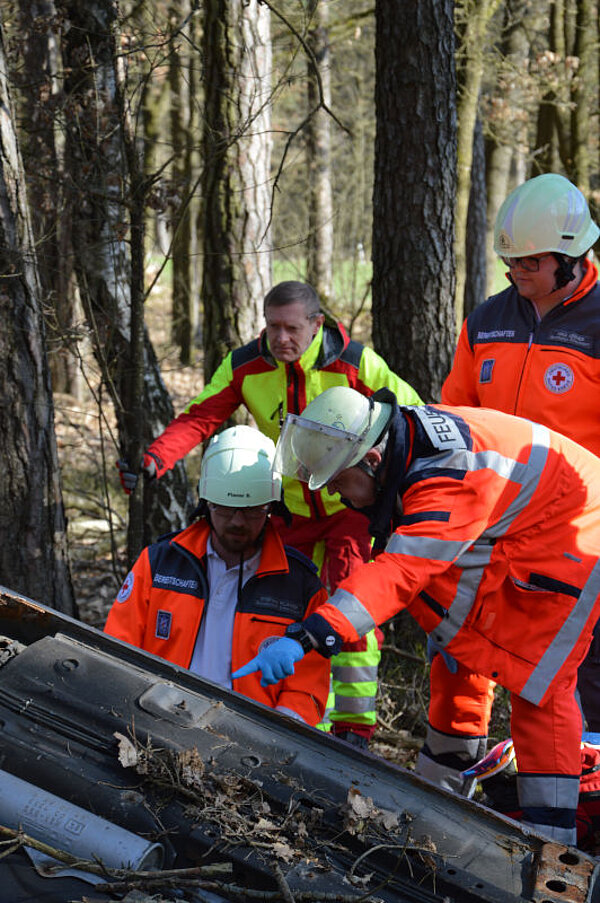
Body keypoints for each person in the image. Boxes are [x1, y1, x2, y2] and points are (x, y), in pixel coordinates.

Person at [232, 385, 600, 845]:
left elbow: (403, 569)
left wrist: (312, 634)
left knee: (539, 683)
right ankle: (439, 796)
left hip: (576, 534)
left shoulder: (447, 479)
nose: (339, 497)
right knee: (457, 650)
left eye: (340, 482)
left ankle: (551, 842)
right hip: (520, 526)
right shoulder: (405, 448)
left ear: (369, 461)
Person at [117, 280, 423, 747]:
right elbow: (202, 415)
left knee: (350, 603)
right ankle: (291, 715)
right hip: (286, 511)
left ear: (317, 325)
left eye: (292, 328)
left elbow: (412, 414)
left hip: (347, 507)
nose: (281, 339)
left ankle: (354, 729)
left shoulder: (356, 363)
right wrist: (157, 457)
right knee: (284, 610)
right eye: (273, 327)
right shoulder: (246, 365)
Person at [442, 172, 600, 731]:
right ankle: (469, 769)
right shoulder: (487, 319)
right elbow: (455, 416)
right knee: (469, 651)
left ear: (571, 255)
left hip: (579, 535)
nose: (515, 273)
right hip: (490, 526)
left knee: (578, 678)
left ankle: (584, 794)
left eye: (529, 263)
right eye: (511, 262)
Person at [106, 425, 330, 726]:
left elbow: (307, 689)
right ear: (206, 503)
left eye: (252, 511)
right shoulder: (159, 564)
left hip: (252, 737)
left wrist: (276, 737)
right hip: (154, 719)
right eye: (225, 509)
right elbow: (117, 649)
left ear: (271, 508)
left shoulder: (300, 587)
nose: (237, 521)